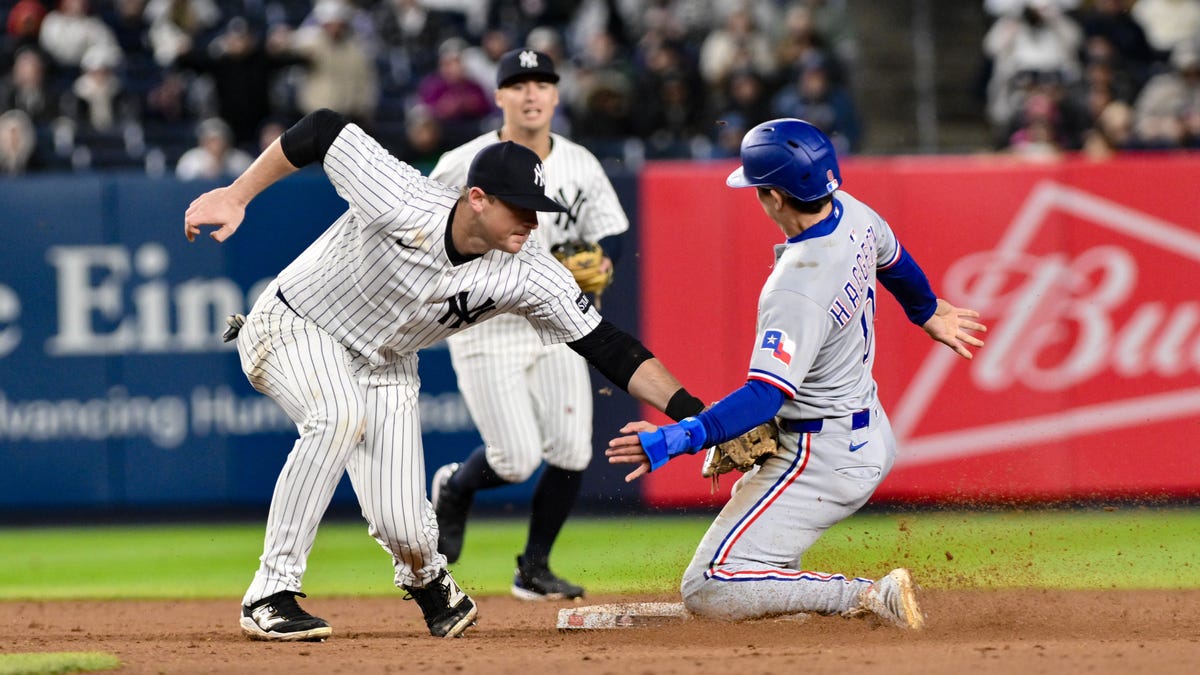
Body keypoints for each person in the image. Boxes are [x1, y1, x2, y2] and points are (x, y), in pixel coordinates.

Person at [183, 108, 707, 641]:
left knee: (405, 523)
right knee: (336, 414)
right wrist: (237, 193)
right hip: (296, 323)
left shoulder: (529, 269)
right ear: (477, 197)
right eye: (520, 209)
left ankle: (430, 582)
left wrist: (698, 417)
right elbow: (320, 128)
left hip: (385, 363)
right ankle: (269, 593)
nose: (532, 223)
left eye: (537, 210)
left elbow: (610, 346)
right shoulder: (405, 197)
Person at [606, 118, 986, 626]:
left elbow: (765, 396)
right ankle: (796, 616)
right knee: (759, 580)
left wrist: (679, 438)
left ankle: (867, 595)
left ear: (776, 199)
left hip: (819, 455)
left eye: (759, 190)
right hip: (859, 430)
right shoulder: (853, 213)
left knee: (708, 586)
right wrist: (927, 311)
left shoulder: (796, 286)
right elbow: (893, 259)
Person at [426, 47, 630, 601]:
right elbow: (429, 237)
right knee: (515, 461)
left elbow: (601, 241)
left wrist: (600, 264)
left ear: (558, 95)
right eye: (518, 84)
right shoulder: (461, 161)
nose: (531, 92)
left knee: (571, 451)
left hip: (557, 322)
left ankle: (533, 568)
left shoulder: (580, 164)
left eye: (542, 82)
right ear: (498, 97)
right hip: (486, 324)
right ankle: (456, 485)